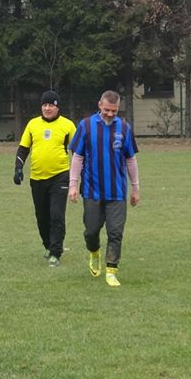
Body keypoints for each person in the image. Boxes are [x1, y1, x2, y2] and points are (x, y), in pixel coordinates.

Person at [68, 90, 140, 287]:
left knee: (115, 232)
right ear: (100, 105)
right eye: (107, 110)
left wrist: (135, 189)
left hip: (117, 192)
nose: (110, 114)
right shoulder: (86, 126)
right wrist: (73, 185)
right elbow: (78, 157)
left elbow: (131, 159)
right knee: (91, 232)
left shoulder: (124, 128)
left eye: (114, 111)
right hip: (92, 191)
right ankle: (94, 252)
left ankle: (111, 270)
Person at [13, 90, 77, 267]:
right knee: (42, 217)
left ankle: (56, 252)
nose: (47, 108)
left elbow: (78, 151)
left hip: (60, 176)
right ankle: (49, 246)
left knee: (56, 215)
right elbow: (23, 149)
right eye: (45, 105)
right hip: (37, 178)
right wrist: (18, 168)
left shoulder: (68, 126)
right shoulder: (33, 124)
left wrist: (79, 175)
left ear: (57, 107)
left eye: (51, 105)